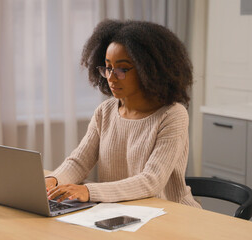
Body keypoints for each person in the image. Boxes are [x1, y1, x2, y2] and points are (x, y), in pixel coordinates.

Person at [46, 19, 201, 208]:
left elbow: (151, 181)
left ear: (149, 69)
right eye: (108, 67)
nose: (111, 77)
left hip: (170, 214)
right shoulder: (105, 112)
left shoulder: (172, 115)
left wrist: (88, 191)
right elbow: (79, 162)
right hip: (119, 212)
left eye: (121, 69)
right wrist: (53, 180)